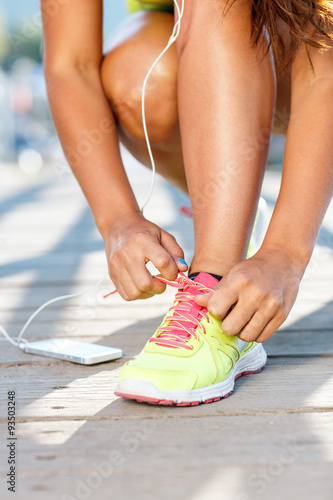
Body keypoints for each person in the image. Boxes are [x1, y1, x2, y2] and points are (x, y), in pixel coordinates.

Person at [41, 0, 333, 406]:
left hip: (313, 47)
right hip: (213, 50)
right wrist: (117, 219)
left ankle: (213, 282)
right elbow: (70, 65)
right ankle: (231, 226)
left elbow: (325, 54)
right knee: (142, 77)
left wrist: (287, 251)